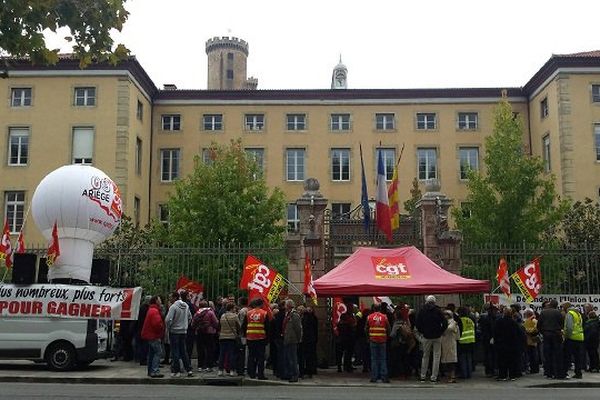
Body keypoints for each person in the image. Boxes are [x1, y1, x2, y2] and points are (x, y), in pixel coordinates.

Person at [415, 295, 447, 383]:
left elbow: (417, 323)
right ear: (434, 302)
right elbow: (445, 323)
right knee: (436, 356)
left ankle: (423, 376)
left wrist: (423, 331)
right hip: (437, 336)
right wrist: (440, 331)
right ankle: (434, 377)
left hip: (426, 336)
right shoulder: (438, 311)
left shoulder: (422, 310)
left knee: (425, 356)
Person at [165, 291, 194, 377]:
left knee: (175, 351)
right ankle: (189, 369)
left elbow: (168, 319)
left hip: (174, 331)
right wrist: (185, 325)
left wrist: (169, 327)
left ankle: (176, 370)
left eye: (170, 297)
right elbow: (190, 317)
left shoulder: (173, 307)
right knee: (183, 351)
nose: (169, 299)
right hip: (183, 331)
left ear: (174, 298)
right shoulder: (186, 306)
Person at [243, 298, 270, 380]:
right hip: (260, 338)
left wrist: (246, 335)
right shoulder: (264, 313)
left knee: (251, 356)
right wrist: (267, 338)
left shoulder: (248, 313)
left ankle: (252, 373)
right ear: (261, 304)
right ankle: (260, 374)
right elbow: (267, 328)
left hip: (250, 338)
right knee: (260, 357)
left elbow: (244, 326)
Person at [537, 299, 565, 379]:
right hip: (556, 334)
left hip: (546, 335)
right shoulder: (558, 313)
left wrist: (543, 332)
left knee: (547, 354)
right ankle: (557, 372)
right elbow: (561, 323)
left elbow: (539, 325)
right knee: (557, 354)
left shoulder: (543, 312)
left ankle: (548, 373)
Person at [191, 300, 219, 372]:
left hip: (199, 333)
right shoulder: (210, 312)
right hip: (209, 333)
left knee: (200, 350)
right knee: (210, 349)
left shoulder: (197, 313)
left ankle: (200, 366)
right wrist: (214, 328)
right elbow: (216, 323)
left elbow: (192, 324)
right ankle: (209, 366)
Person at [141, 295, 165, 378]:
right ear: (156, 301)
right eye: (159, 299)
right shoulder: (155, 311)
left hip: (150, 335)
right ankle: (155, 371)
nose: (161, 301)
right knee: (158, 352)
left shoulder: (151, 309)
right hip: (154, 335)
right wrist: (161, 328)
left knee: (151, 353)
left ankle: (150, 371)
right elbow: (157, 324)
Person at [494, 307, 521, 381]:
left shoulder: (499, 321)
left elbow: (495, 333)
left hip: (501, 344)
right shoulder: (514, 322)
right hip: (512, 345)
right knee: (512, 361)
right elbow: (518, 334)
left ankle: (503, 375)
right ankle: (512, 375)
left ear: (504, 313)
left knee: (502, 361)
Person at [365, 303, 390, 383]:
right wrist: (387, 336)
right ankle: (384, 377)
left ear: (373, 309)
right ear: (380, 308)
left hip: (373, 340)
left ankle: (374, 377)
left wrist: (368, 337)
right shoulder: (384, 317)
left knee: (374, 359)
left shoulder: (369, 317)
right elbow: (388, 328)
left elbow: (366, 328)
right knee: (383, 358)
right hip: (382, 340)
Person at [217, 301, 241, 377]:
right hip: (231, 337)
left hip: (222, 337)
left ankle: (220, 370)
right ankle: (231, 370)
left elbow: (219, 325)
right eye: (234, 308)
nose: (235, 309)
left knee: (222, 354)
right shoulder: (235, 316)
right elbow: (239, 326)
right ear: (231, 308)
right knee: (231, 354)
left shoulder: (223, 316)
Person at [562, 302, 584, 379]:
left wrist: (566, 336)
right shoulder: (578, 314)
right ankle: (578, 373)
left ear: (566, 307)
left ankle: (564, 373)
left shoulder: (570, 314)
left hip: (572, 338)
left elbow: (569, 327)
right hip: (580, 337)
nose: (562, 309)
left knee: (567, 356)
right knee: (578, 357)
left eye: (563, 307)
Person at [283, 299, 302, 383]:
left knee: (293, 359)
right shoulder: (288, 314)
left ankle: (295, 375)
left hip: (292, 339)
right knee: (288, 358)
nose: (284, 307)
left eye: (285, 305)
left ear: (289, 306)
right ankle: (290, 374)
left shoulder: (294, 315)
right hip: (287, 339)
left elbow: (298, 328)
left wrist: (298, 339)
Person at [337, 303, 357, 373]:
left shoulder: (340, 324)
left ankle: (340, 367)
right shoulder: (349, 324)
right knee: (348, 353)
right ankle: (347, 366)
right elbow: (352, 328)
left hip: (341, 339)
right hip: (348, 339)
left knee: (341, 354)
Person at [457, 306, 475, 379]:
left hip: (462, 341)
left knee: (463, 359)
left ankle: (464, 374)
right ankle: (469, 374)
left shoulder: (460, 320)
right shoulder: (470, 320)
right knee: (469, 358)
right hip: (471, 341)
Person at [440, 310, 459, 383]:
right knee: (447, 362)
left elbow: (450, 328)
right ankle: (449, 376)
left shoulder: (452, 322)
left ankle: (452, 376)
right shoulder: (444, 322)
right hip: (445, 343)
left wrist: (442, 328)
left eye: (446, 315)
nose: (445, 316)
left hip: (450, 343)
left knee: (451, 362)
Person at [301, 305, 318, 378]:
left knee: (307, 356)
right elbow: (315, 329)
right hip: (312, 339)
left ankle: (308, 370)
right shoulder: (314, 318)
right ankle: (312, 369)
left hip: (306, 339)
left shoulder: (305, 318)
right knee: (312, 355)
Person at [523, 309, 540, 374]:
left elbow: (536, 329)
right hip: (529, 340)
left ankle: (534, 369)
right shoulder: (529, 320)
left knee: (533, 355)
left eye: (525, 314)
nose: (524, 315)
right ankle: (533, 369)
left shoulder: (533, 320)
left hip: (532, 341)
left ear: (528, 314)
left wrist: (527, 330)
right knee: (532, 355)